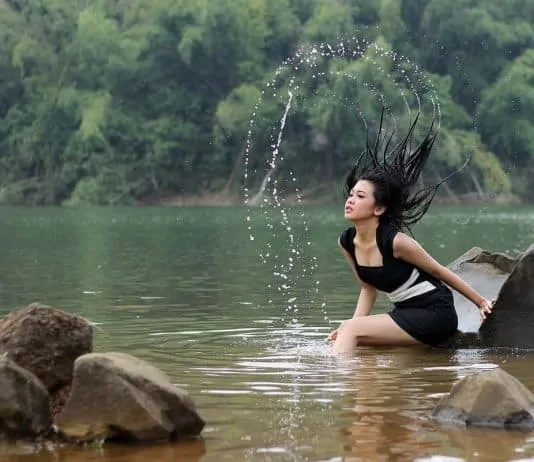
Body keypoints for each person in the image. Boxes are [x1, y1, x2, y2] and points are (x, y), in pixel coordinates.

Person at [327, 110, 494, 354]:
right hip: (405, 313)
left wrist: (480, 302)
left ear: (378, 208)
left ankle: (338, 376)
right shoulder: (346, 242)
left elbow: (439, 271)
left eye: (360, 196)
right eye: (351, 194)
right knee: (346, 336)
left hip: (435, 313)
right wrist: (351, 328)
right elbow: (367, 289)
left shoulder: (396, 242)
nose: (350, 200)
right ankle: (354, 376)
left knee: (349, 331)